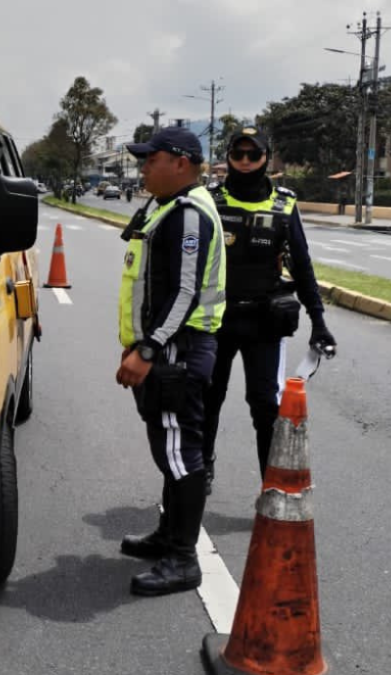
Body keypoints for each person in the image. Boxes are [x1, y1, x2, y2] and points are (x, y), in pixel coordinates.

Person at [115, 127, 227, 597]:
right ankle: (168, 536)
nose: (143, 168)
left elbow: (184, 293)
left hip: (175, 352)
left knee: (182, 454)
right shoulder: (167, 208)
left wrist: (147, 349)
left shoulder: (186, 214)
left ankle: (184, 559)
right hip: (168, 349)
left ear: (180, 162)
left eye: (150, 159)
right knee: (170, 449)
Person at [201, 128, 336, 493]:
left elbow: (303, 267)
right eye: (238, 154)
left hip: (263, 322)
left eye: (253, 154)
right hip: (215, 320)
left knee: (265, 406)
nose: (245, 162)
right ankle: (202, 471)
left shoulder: (285, 205)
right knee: (207, 398)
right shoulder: (209, 200)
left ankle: (271, 483)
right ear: (228, 156)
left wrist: (318, 321)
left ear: (266, 157)